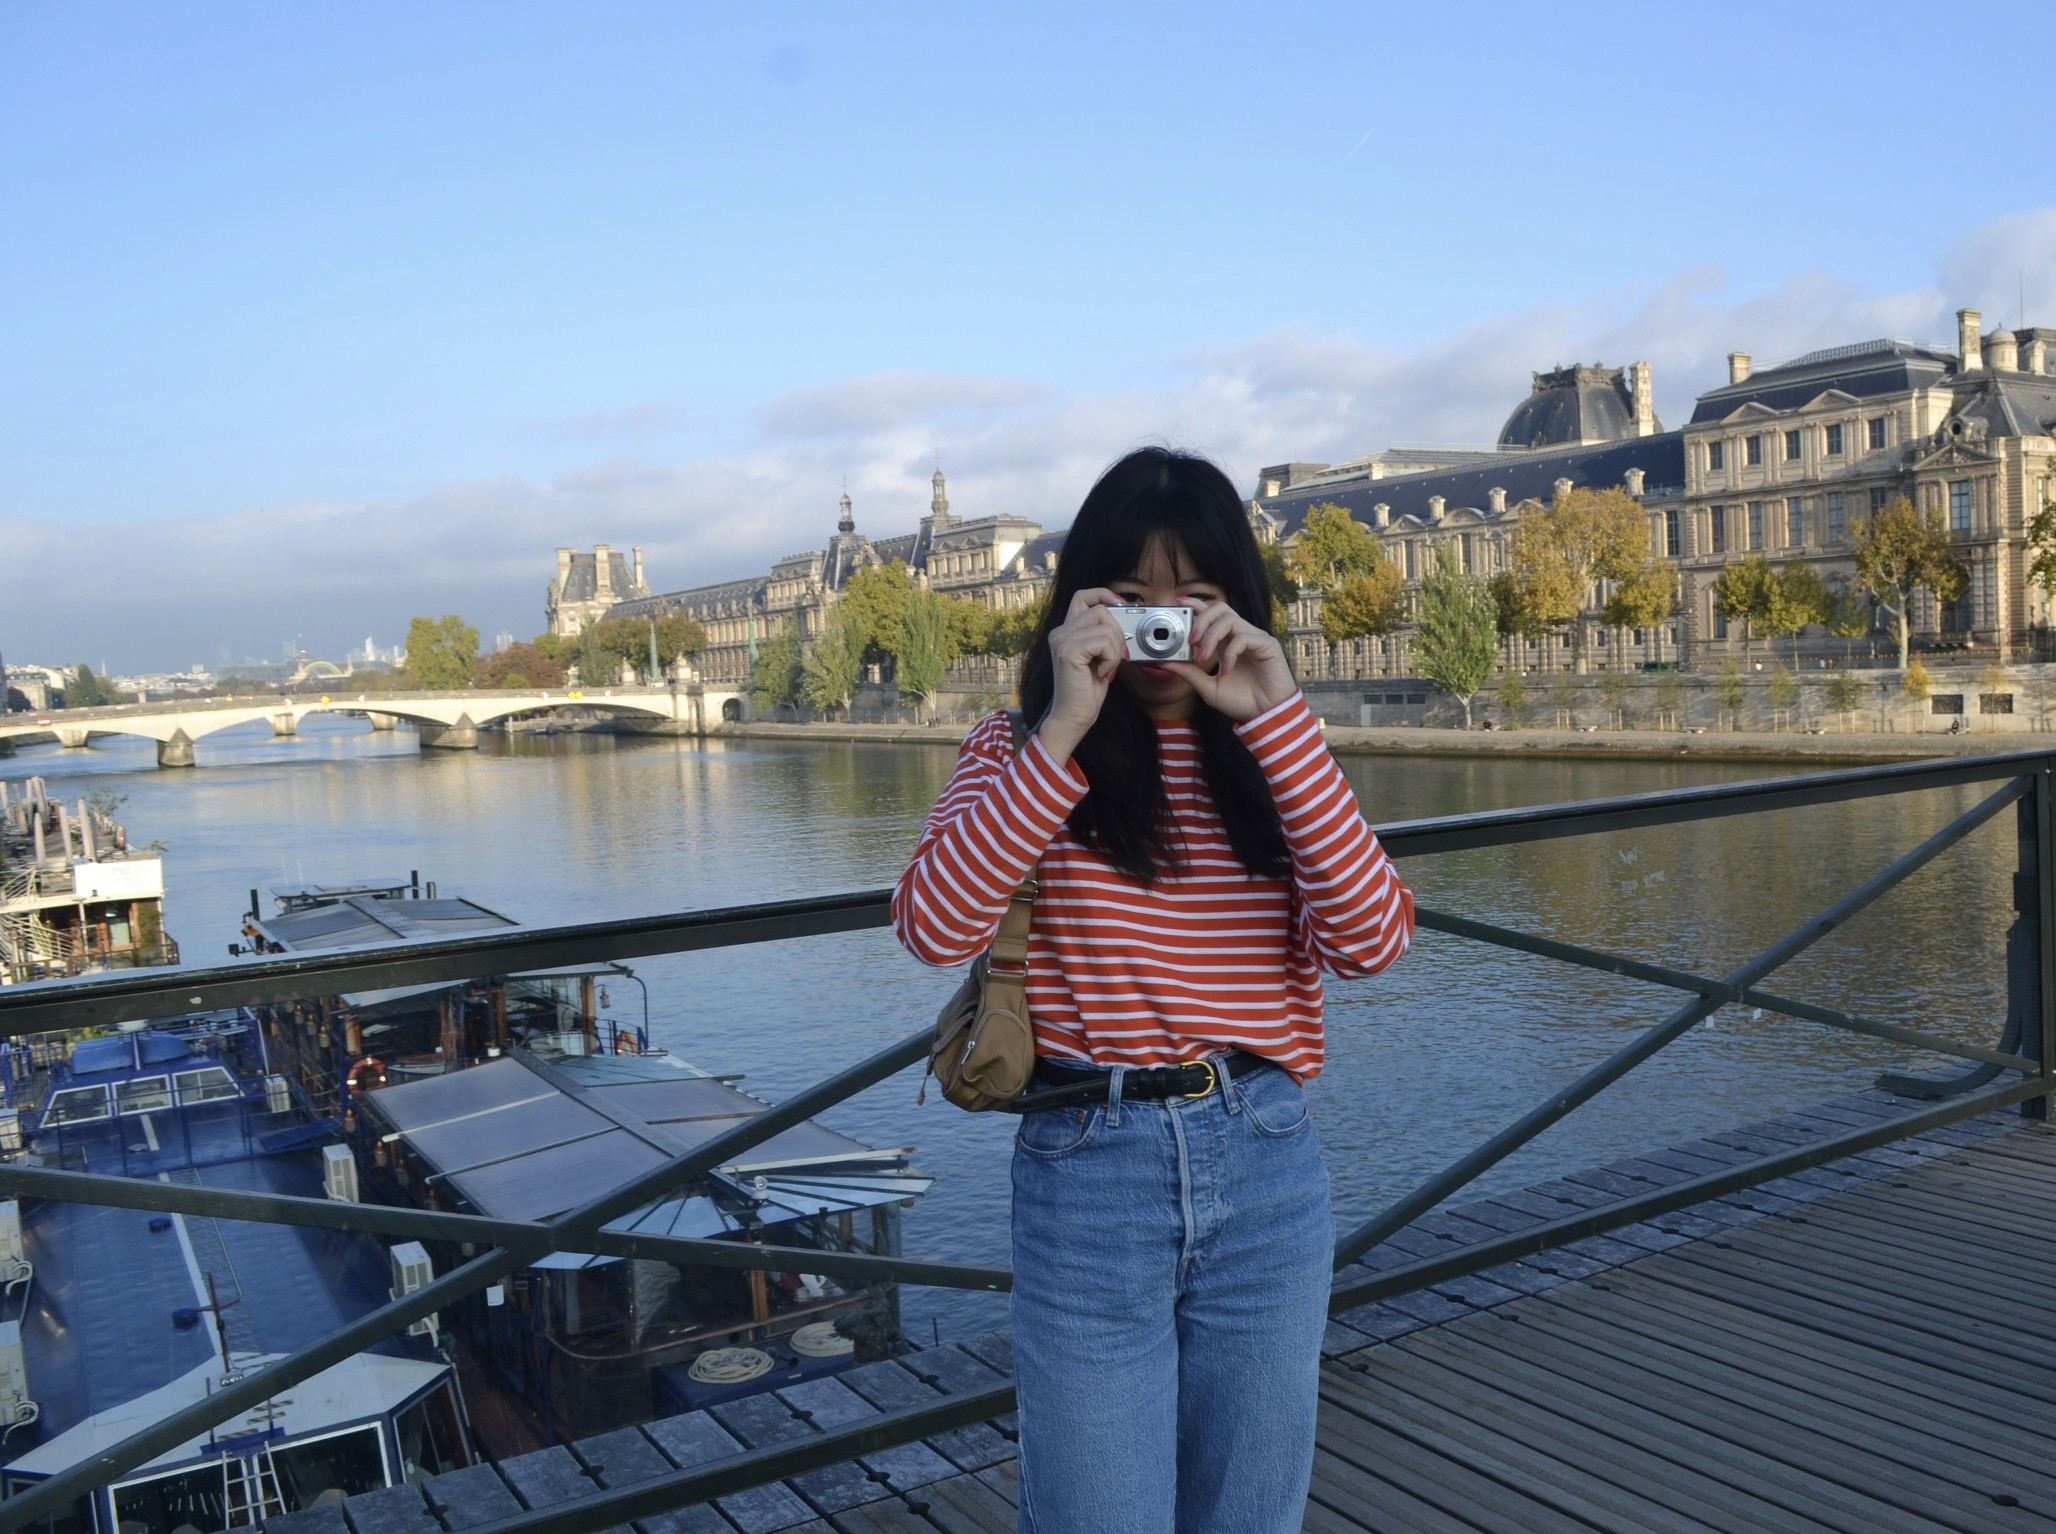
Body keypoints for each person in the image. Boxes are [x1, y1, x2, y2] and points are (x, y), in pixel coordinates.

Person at [893, 446, 1415, 1533]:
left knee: (1248, 1515)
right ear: (1080, 604)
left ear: (1242, 610)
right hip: (1090, 1165)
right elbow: (930, 925)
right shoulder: (1017, 750)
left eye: (1198, 600)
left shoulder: (1275, 755)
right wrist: (1065, 726)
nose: (1162, 629)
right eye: (1131, 601)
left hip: (1267, 1159)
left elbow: (1372, 943)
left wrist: (1276, 716)